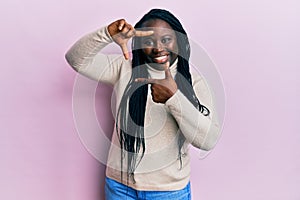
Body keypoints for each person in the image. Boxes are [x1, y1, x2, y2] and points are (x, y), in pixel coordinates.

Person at [65, 8, 220, 200]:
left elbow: (208, 140)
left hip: (168, 191)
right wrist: (106, 34)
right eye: (148, 41)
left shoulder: (194, 82)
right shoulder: (124, 68)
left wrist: (174, 98)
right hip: (119, 188)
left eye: (166, 40)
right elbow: (76, 59)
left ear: (179, 40)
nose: (157, 48)